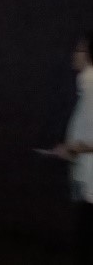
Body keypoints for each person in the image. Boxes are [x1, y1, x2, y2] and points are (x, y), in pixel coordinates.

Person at [49, 31, 93, 264]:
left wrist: (71, 149)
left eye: (80, 50)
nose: (74, 54)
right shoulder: (86, 86)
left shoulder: (91, 86)